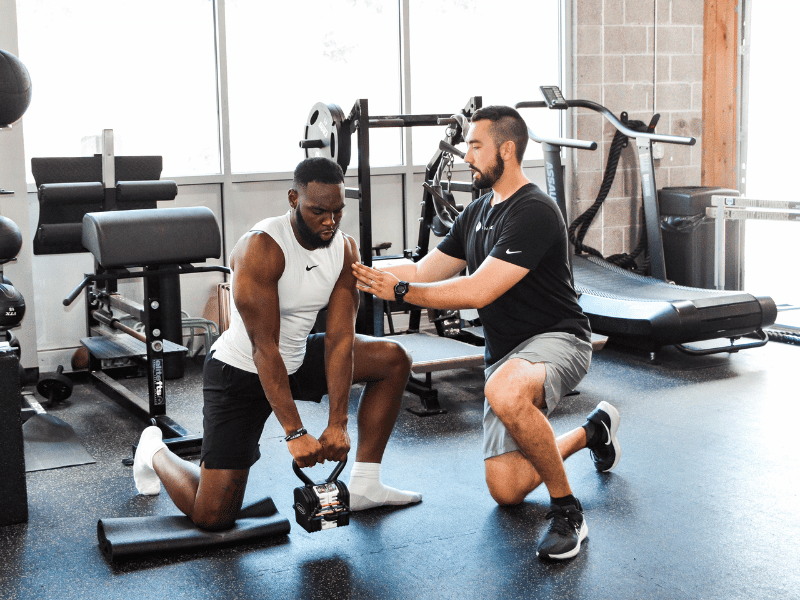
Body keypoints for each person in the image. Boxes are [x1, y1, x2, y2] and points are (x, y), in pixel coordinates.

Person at [352, 105, 621, 561]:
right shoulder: (476, 212)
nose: (467, 156)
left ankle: (568, 510)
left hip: (559, 339)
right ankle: (594, 431)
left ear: (508, 149)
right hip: (506, 356)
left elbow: (478, 290)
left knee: (504, 389)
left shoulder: (535, 210)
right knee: (508, 490)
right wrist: (355, 272)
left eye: (476, 146)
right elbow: (424, 269)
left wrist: (400, 291)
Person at [132, 156, 421, 530]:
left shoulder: (345, 248)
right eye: (318, 211)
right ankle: (153, 449)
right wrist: (296, 432)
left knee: (392, 358)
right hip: (241, 370)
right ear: (292, 199)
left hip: (297, 359)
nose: (329, 222)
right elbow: (263, 348)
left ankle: (366, 482)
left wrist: (338, 423)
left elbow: (339, 340)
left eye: (338, 211)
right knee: (213, 516)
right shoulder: (262, 247)